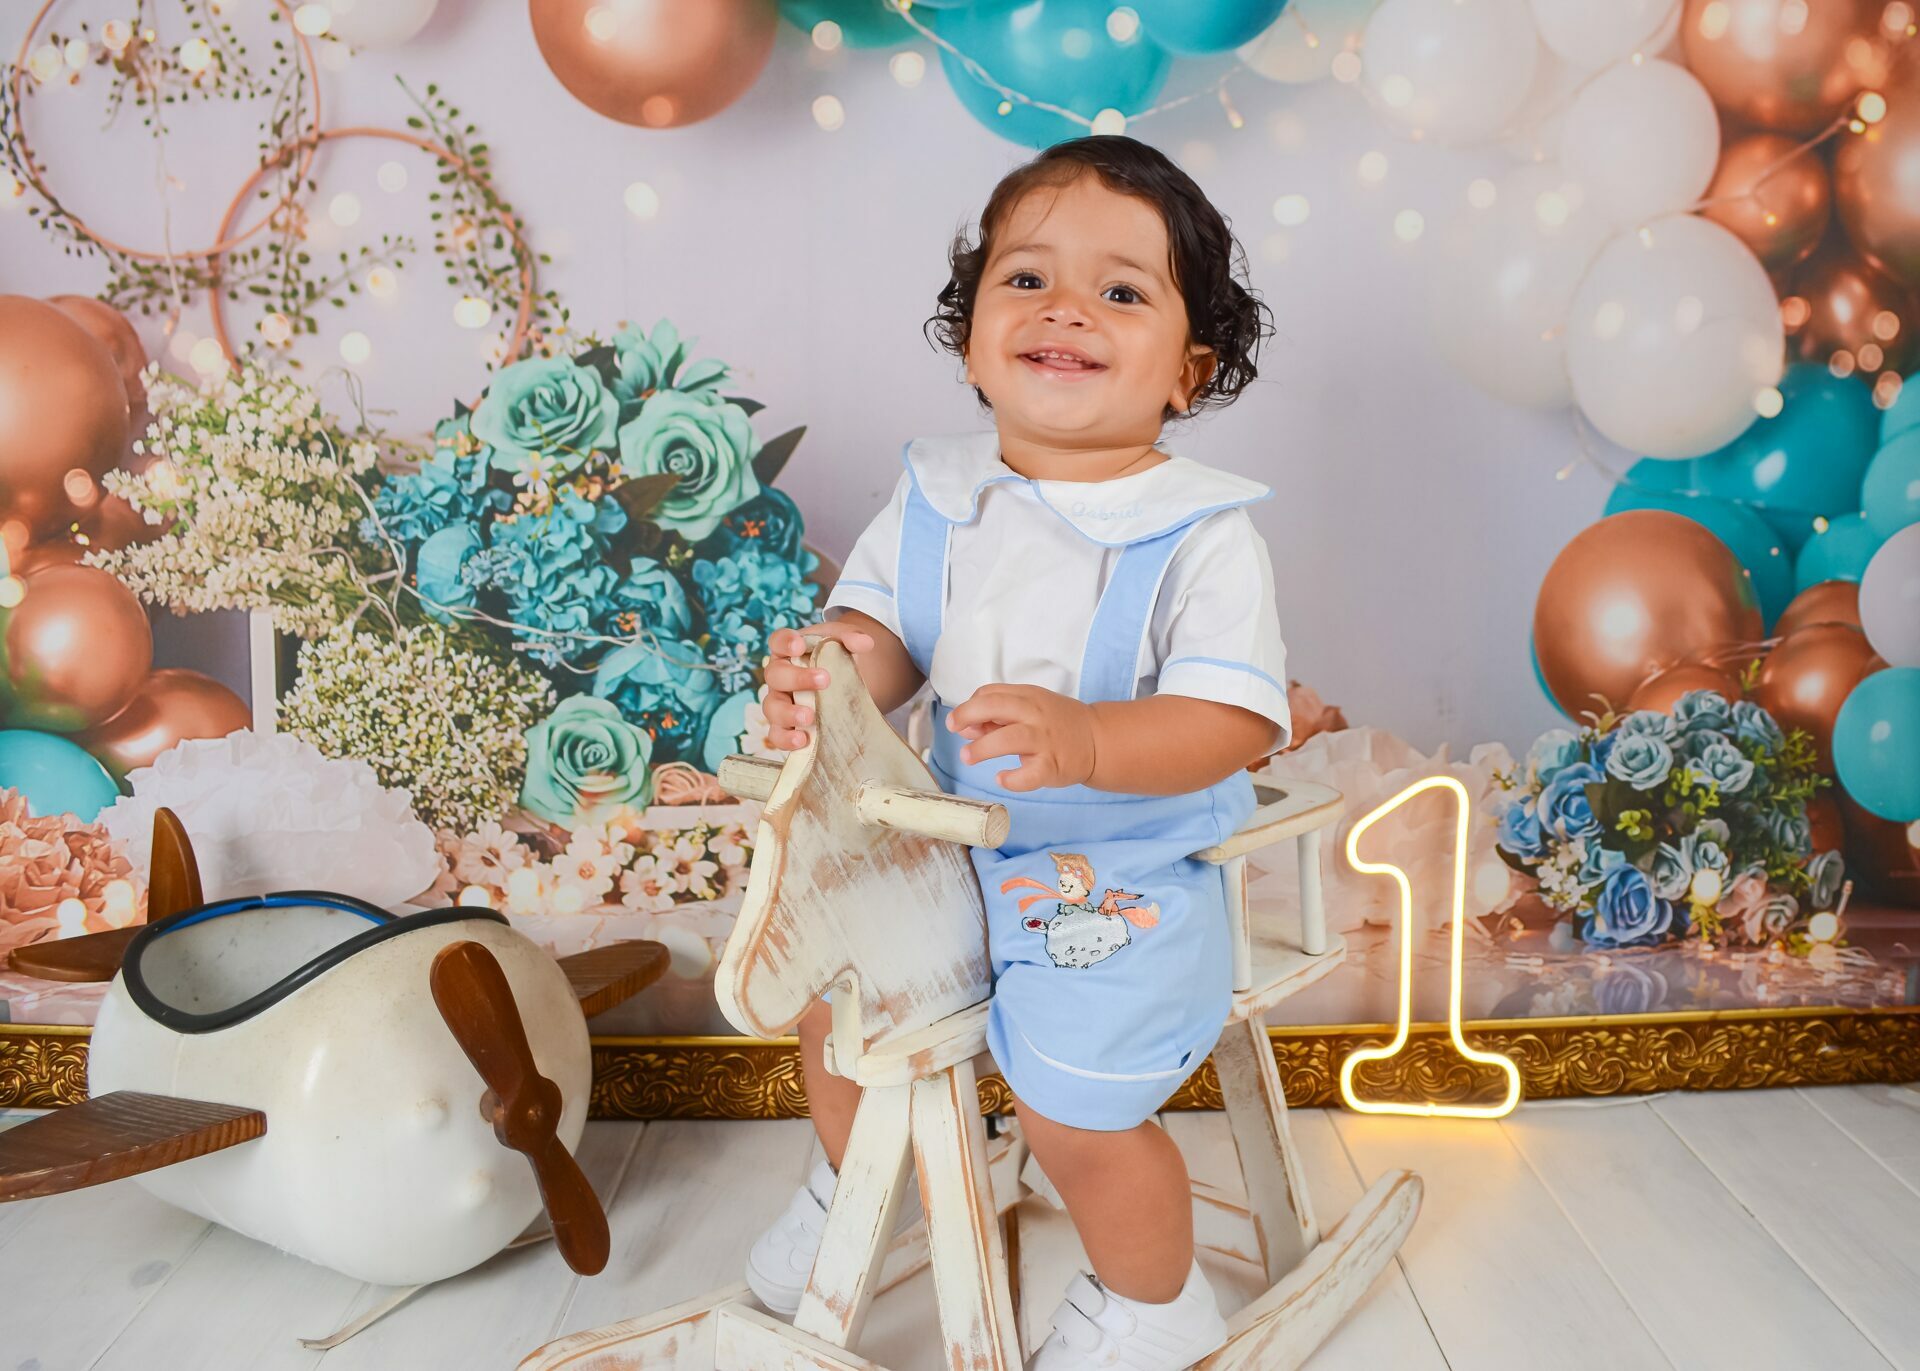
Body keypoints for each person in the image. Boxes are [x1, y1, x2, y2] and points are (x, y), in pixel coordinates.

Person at [745, 133, 1290, 1371]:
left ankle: (1156, 1302)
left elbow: (1232, 719)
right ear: (974, 335)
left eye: (1122, 292)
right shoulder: (937, 494)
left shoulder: (1200, 533)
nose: (1066, 310)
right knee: (837, 1007)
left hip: (1119, 871)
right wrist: (835, 667)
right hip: (948, 843)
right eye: (1027, 278)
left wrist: (1090, 737)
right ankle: (855, 1187)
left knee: (1069, 1102)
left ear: (1188, 372)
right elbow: (887, 633)